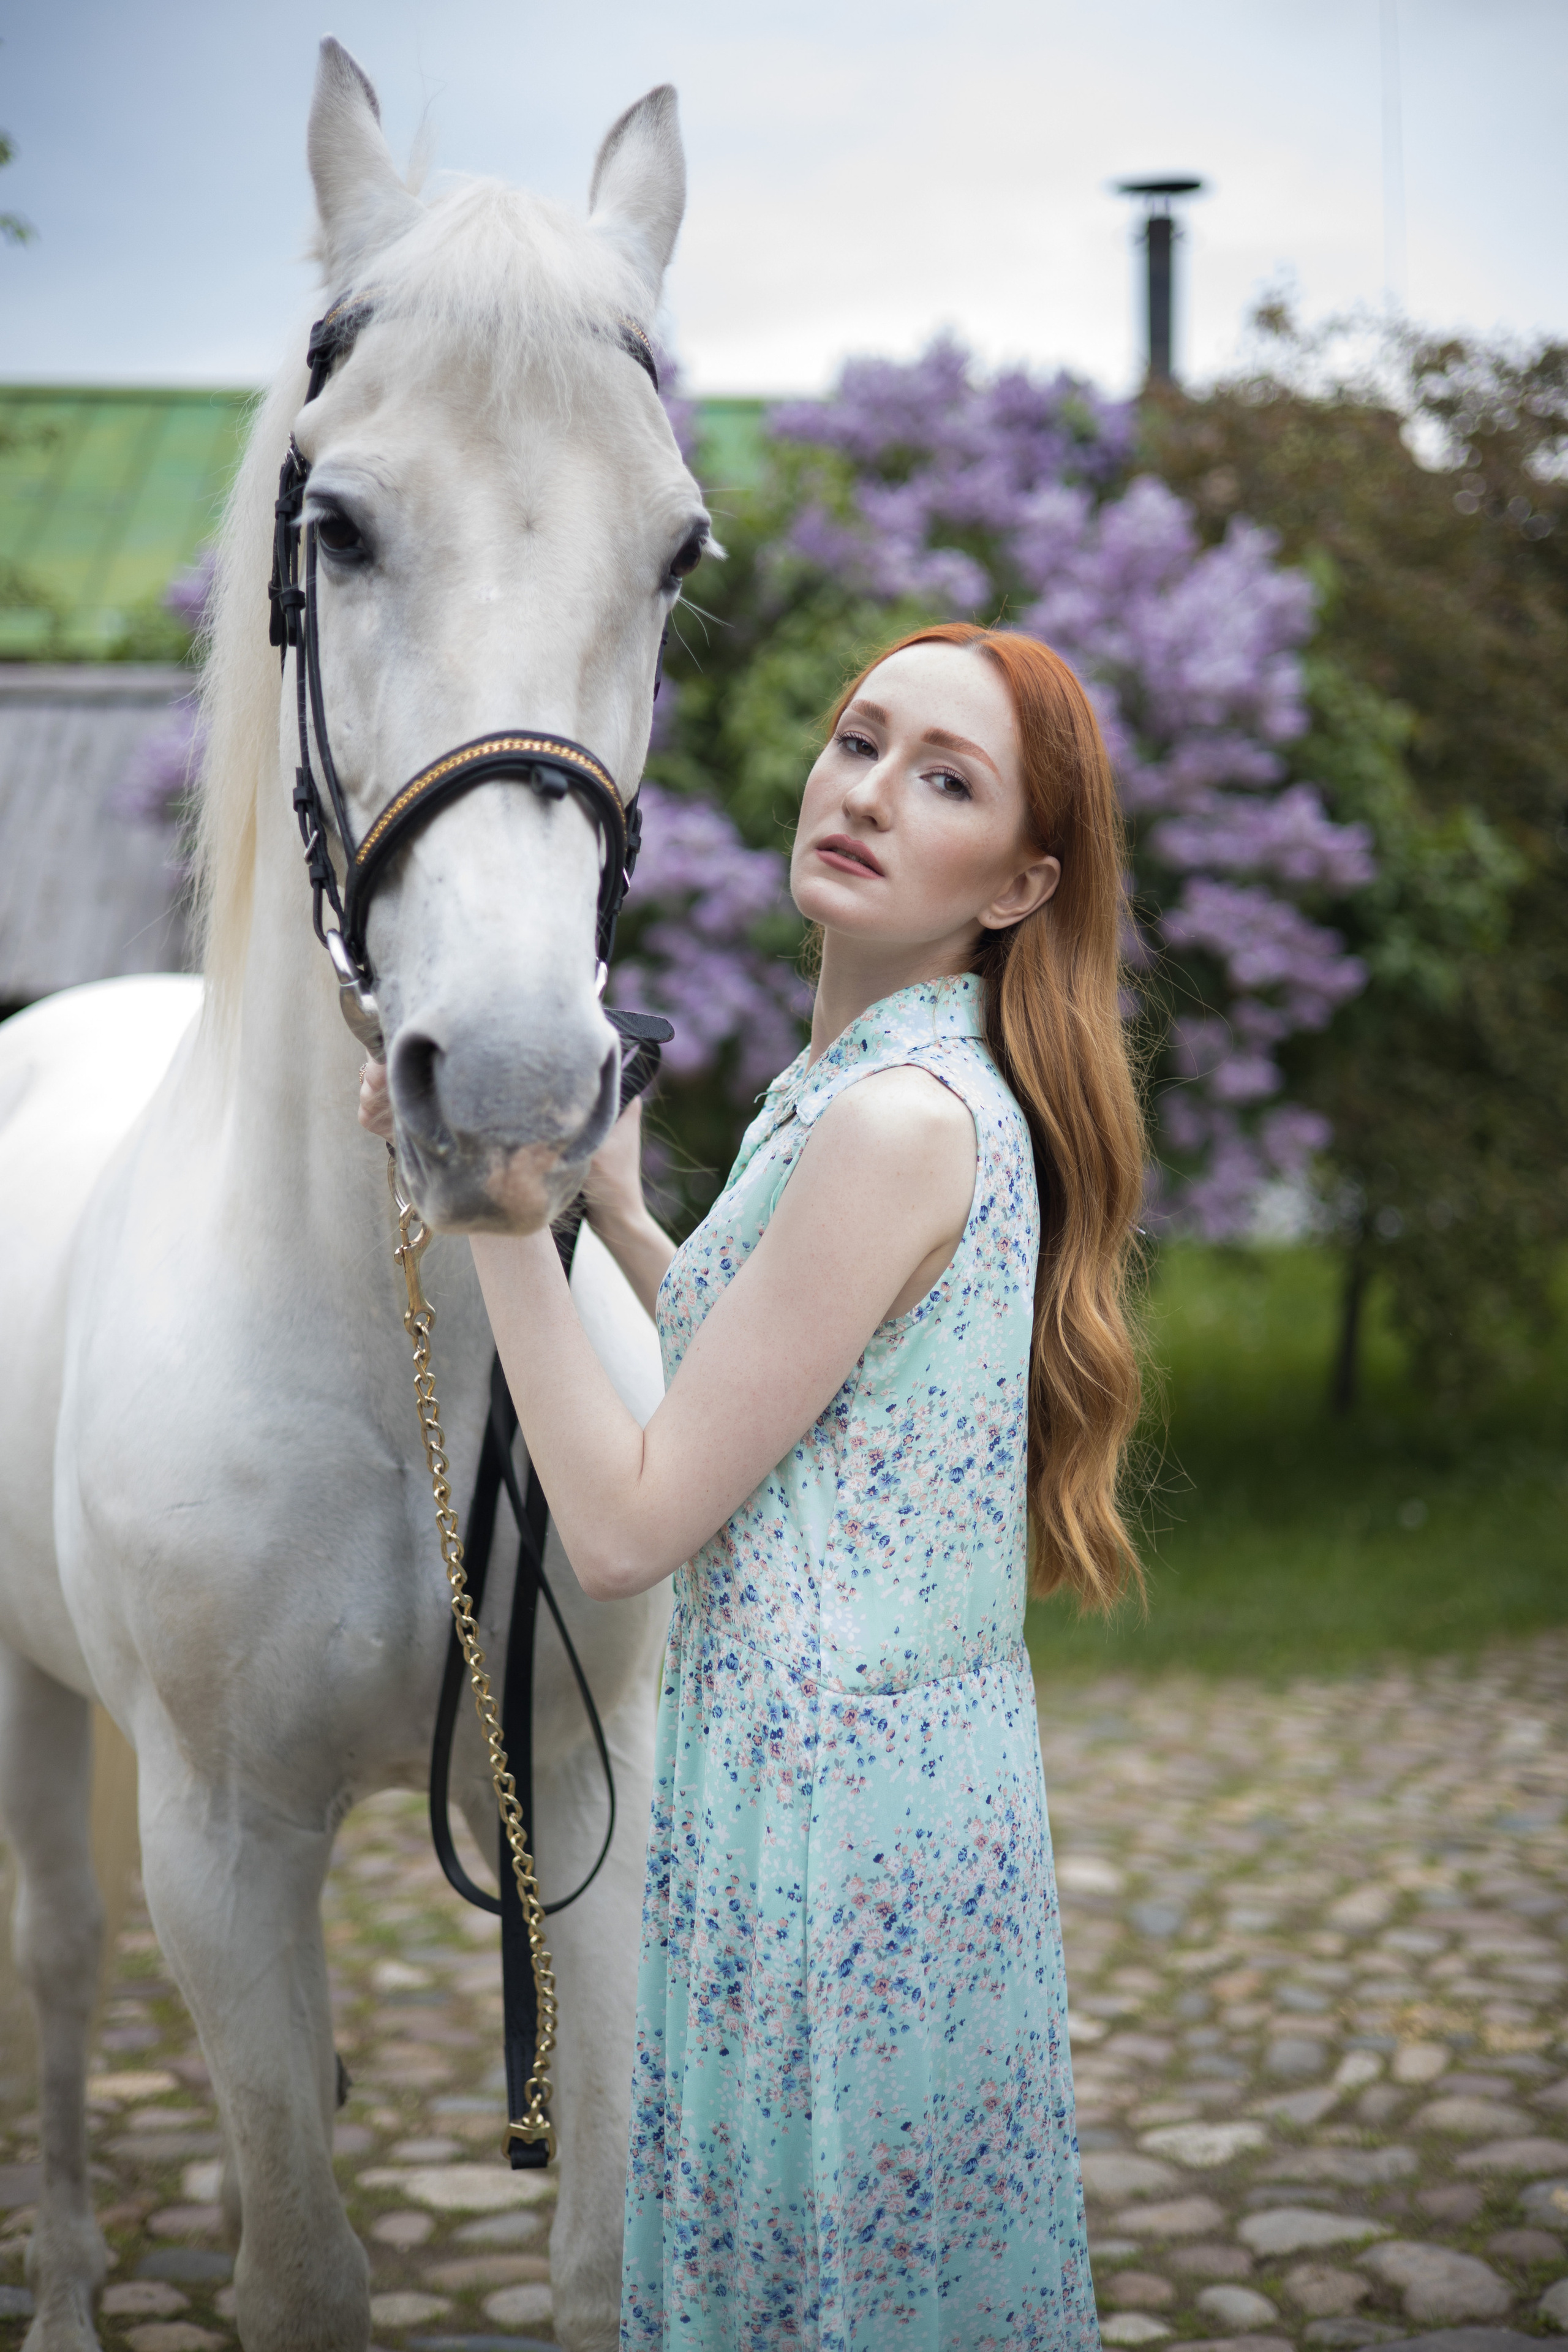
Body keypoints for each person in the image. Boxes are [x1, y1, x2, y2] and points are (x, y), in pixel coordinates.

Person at [362, 622, 1145, 2349]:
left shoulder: (895, 1122)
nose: (869, 790)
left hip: (828, 1818)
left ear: (1019, 884)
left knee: (824, 2286)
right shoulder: (867, 1083)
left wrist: (489, 1210)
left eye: (943, 780)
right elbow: (787, 1392)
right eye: (862, 740)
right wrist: (630, 1225)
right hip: (863, 1774)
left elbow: (637, 1523)